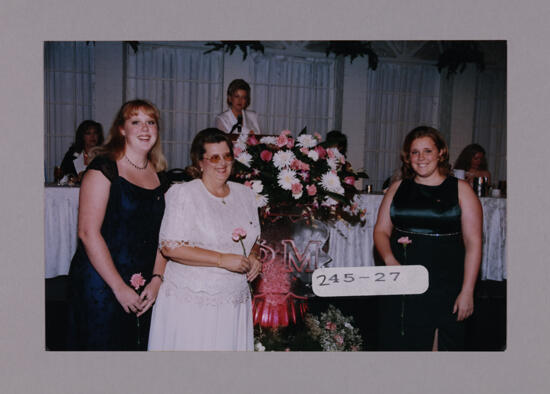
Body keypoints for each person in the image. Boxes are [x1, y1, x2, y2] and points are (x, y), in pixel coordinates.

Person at [66, 99, 169, 350]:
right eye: (136, 122)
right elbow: (88, 233)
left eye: (150, 122)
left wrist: (157, 279)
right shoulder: (103, 169)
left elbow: (165, 234)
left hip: (143, 281)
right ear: (121, 129)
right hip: (101, 282)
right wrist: (119, 287)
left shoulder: (160, 175)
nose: (145, 129)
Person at [148, 128, 262, 351]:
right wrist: (221, 259)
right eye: (214, 157)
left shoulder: (245, 195)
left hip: (233, 302)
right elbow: (170, 247)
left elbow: (255, 236)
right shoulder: (184, 194)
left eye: (227, 156)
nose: (222, 163)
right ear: (200, 162)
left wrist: (254, 255)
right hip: (193, 305)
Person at [373, 126, 482, 351]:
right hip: (402, 280)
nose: (421, 158)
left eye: (428, 151)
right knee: (399, 340)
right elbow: (380, 231)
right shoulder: (397, 188)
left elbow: (474, 243)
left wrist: (468, 290)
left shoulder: (462, 190)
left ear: (441, 153)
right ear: (407, 156)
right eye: (415, 152)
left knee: (438, 347)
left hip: (445, 282)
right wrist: (390, 261)